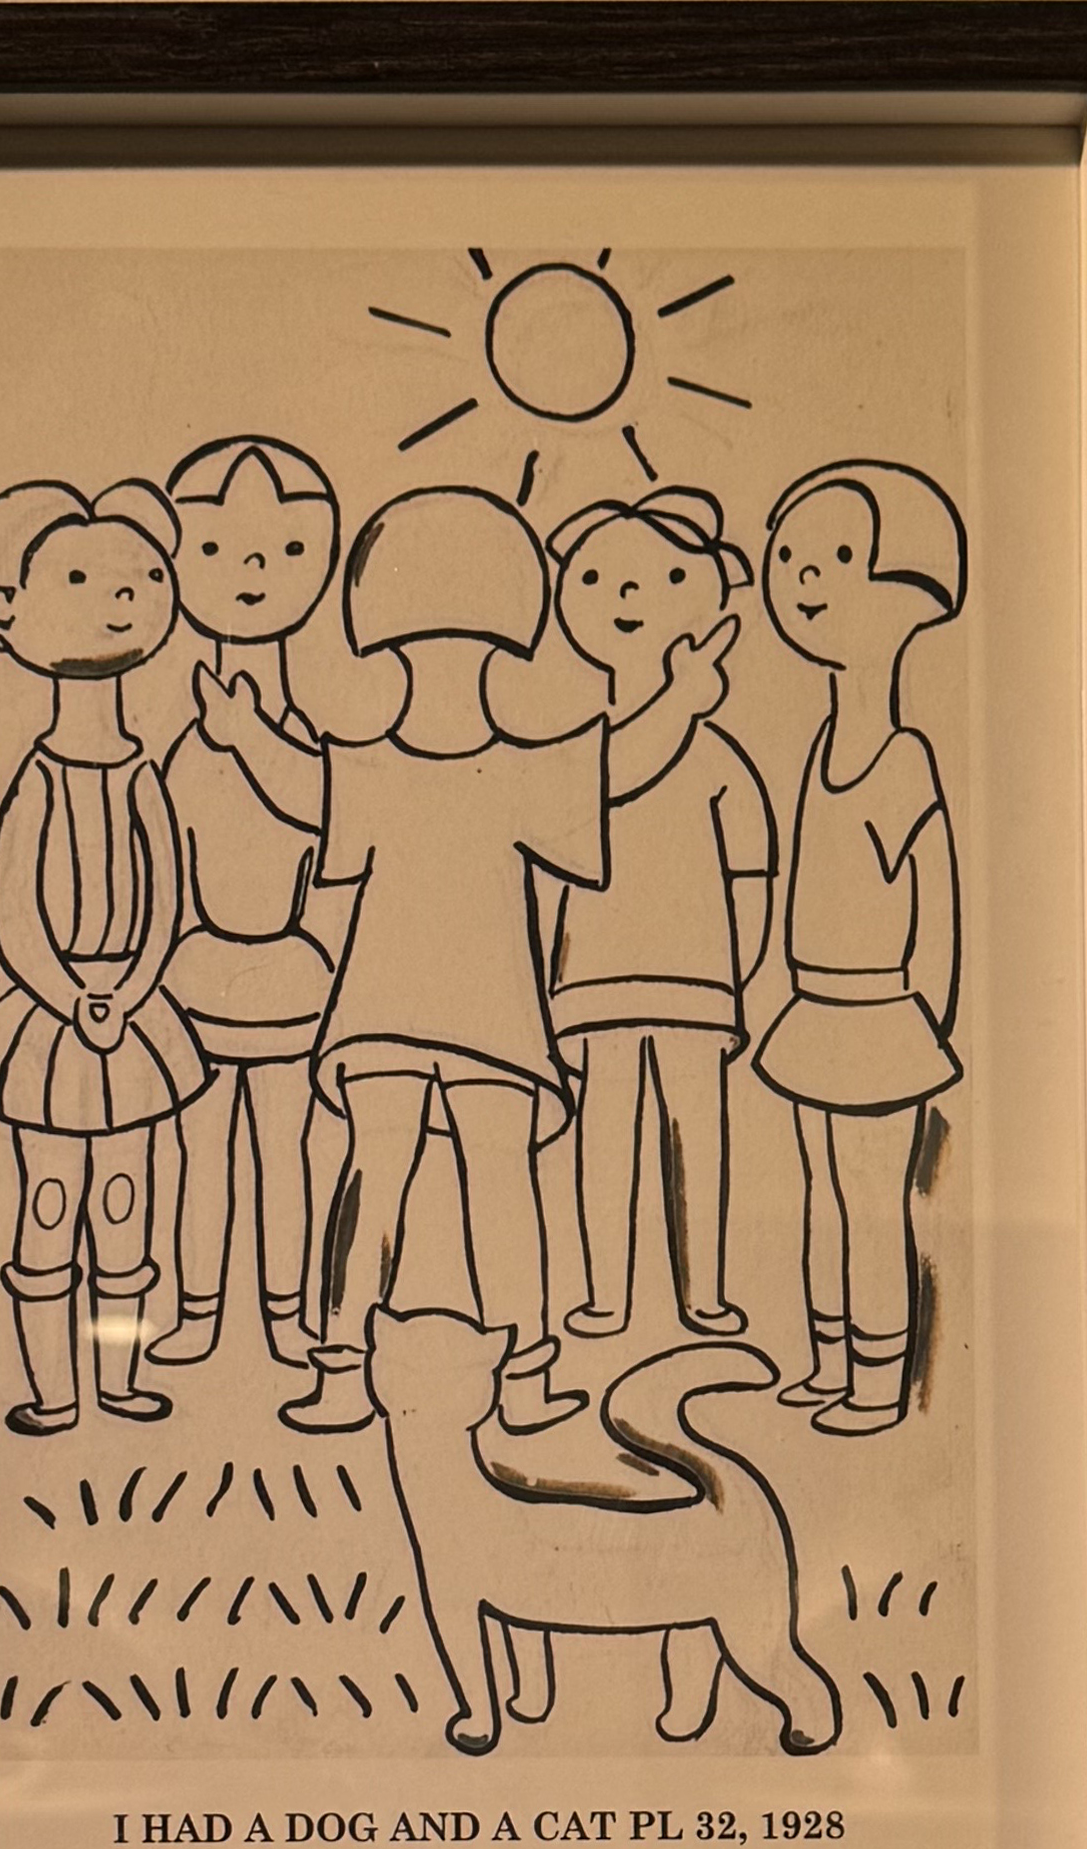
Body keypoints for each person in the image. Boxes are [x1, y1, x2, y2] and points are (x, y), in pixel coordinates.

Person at [194, 483, 733, 1435]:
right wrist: (681, 702)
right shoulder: (471, 766)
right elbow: (609, 772)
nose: (443, 670)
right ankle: (471, 1376)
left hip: (438, 1016)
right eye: (426, 650)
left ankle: (416, 1374)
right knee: (457, 1178)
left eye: (461, 650)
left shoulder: (443, 765)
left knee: (418, 1176)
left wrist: (245, 736)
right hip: (445, 1017)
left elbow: (307, 787)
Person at [0, 476, 207, 1436]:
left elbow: (168, 895)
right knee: (51, 1197)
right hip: (52, 1021)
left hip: (131, 1015)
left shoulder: (142, 772)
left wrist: (130, 991)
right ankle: (54, 1392)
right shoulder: (35, 778)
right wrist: (72, 998)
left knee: (126, 1198)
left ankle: (121, 1376)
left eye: (142, 575)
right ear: (6, 612)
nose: (122, 595)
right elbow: (13, 910)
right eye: (78, 578)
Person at [754, 460, 967, 1437]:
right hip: (815, 1008)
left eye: (837, 555)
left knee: (872, 1203)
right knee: (821, 1194)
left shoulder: (902, 756)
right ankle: (829, 1359)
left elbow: (938, 903)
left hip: (881, 1015)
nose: (803, 577)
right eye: (792, 557)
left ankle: (877, 1384)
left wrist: (923, 1023)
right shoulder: (818, 745)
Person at [541, 488, 774, 1341]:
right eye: (600, 577)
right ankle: (606, 1296)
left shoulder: (716, 753)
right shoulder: (579, 741)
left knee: (694, 1131)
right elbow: (576, 815)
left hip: (697, 976)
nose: (630, 595)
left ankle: (701, 1293)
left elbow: (750, 861)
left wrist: (741, 960)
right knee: (605, 1131)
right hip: (596, 973)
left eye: (669, 578)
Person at [149, 436, 352, 1372]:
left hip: (290, 975)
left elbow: (328, 836)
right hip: (197, 973)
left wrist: (329, 959)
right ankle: (197, 1309)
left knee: (286, 1148)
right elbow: (167, 866)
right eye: (217, 550)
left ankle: (286, 1314)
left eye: (286, 550)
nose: (254, 571)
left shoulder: (302, 741)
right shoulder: (185, 748)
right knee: (198, 1149)